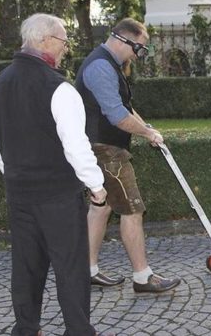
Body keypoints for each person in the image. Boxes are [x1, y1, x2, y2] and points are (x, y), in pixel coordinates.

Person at [0, 13, 107, 335]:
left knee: (26, 267)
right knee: (71, 266)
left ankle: (26, 329)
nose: (66, 48)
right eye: (64, 41)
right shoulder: (59, 89)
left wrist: (15, 176)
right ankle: (79, 330)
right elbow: (76, 146)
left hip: (19, 193)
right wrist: (97, 186)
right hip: (57, 196)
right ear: (45, 41)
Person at [75, 18, 180, 293]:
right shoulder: (100, 67)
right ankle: (143, 277)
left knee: (101, 207)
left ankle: (87, 270)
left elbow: (125, 107)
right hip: (105, 150)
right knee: (132, 209)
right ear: (123, 40)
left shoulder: (109, 65)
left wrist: (148, 129)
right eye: (139, 48)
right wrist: (146, 134)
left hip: (100, 147)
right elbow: (118, 116)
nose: (139, 54)